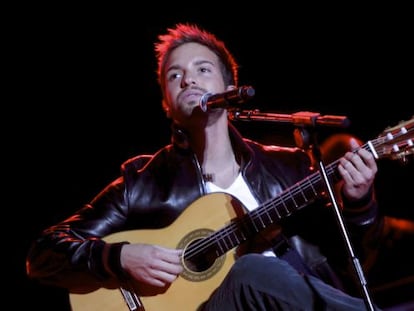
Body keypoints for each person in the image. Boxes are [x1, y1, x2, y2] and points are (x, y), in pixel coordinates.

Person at [26, 23, 383, 310]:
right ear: (167, 104)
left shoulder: (288, 167)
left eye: (202, 69)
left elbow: (352, 264)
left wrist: (358, 204)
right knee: (250, 269)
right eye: (174, 76)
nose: (188, 80)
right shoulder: (143, 183)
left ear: (230, 88)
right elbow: (44, 253)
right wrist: (119, 257)